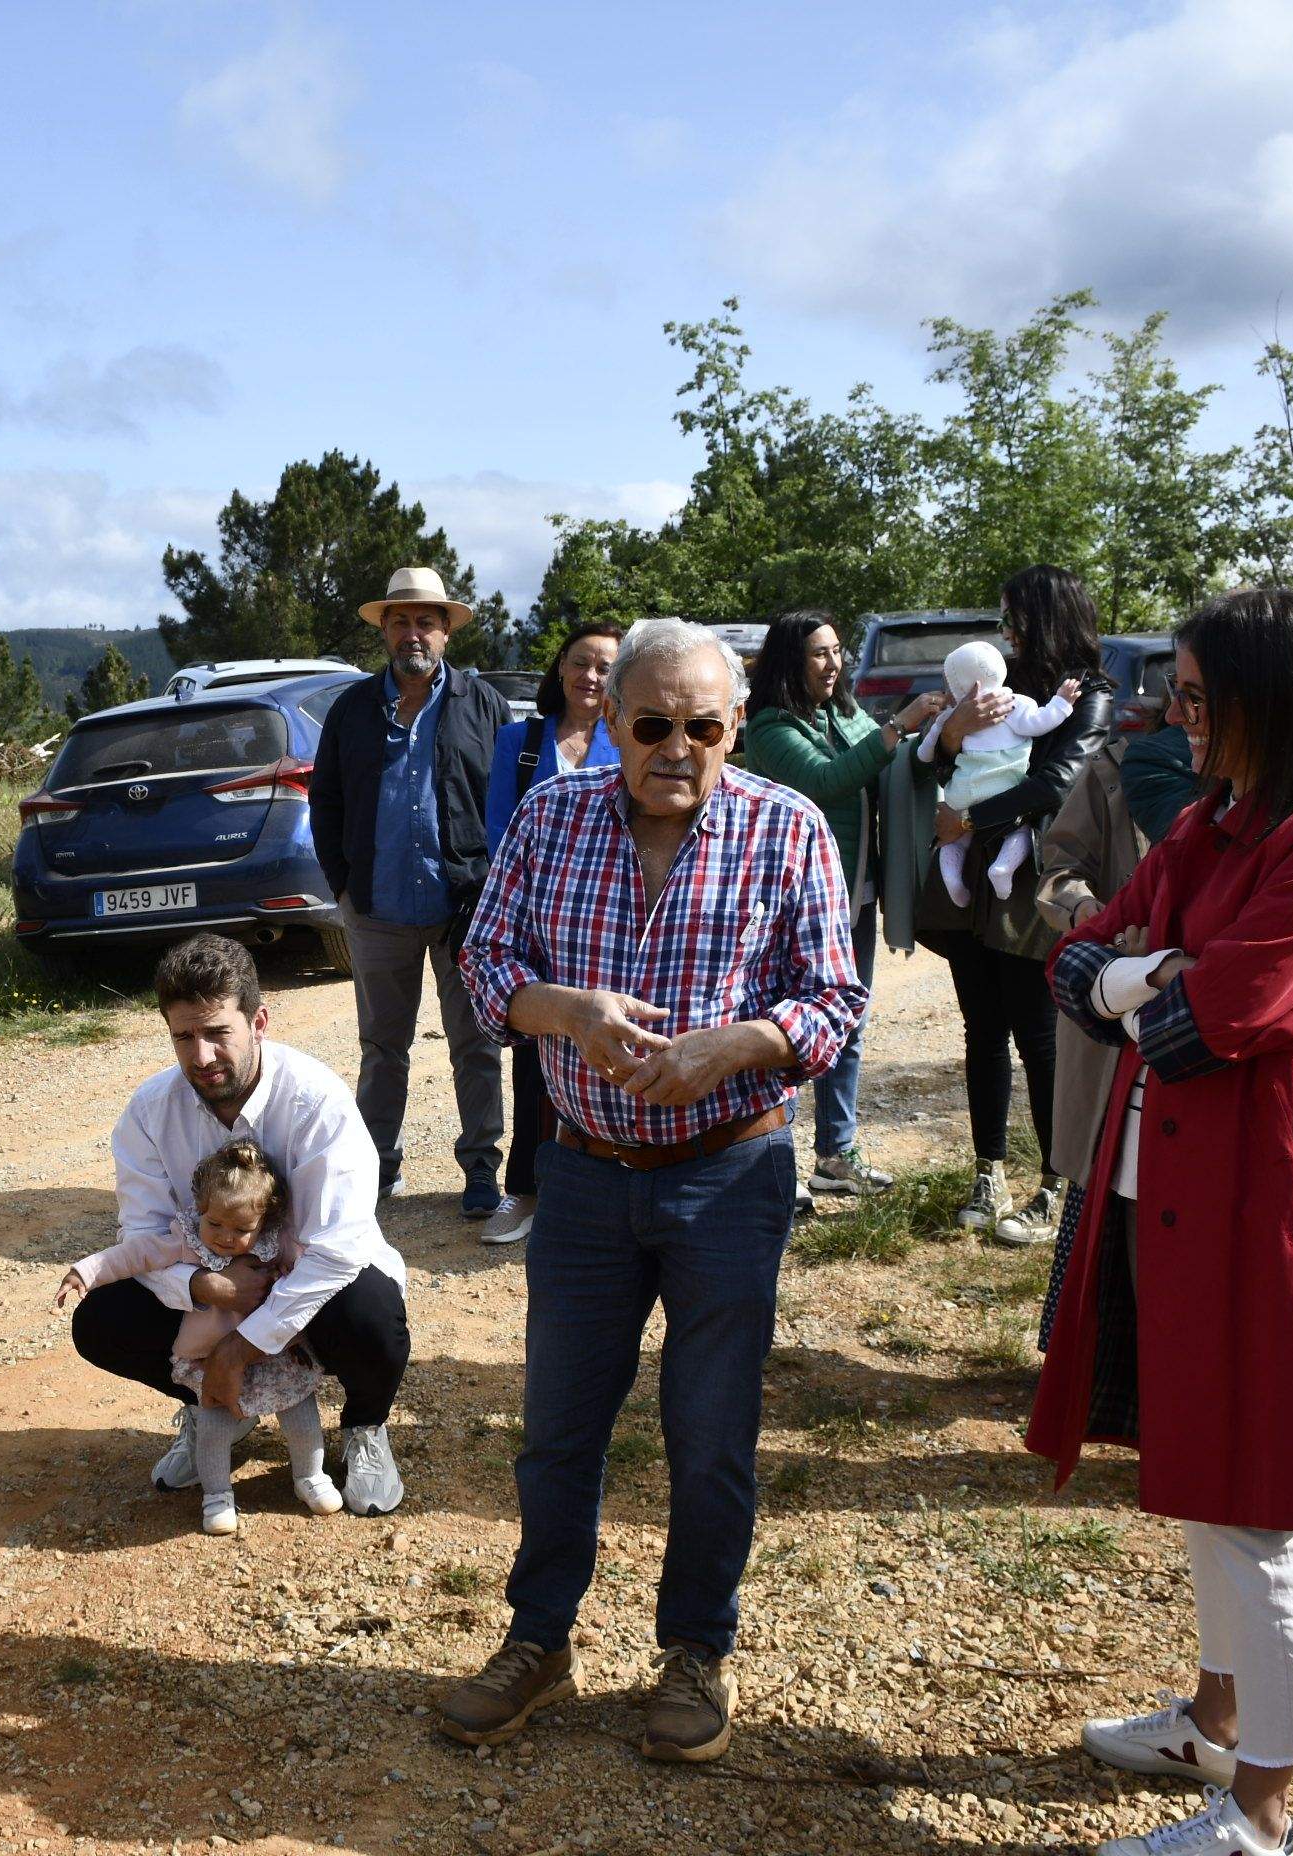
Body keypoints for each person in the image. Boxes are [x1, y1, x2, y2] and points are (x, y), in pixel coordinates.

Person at [442, 619, 866, 1763]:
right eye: (652, 723)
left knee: (711, 1431)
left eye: (704, 725)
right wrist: (565, 1010)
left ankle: (695, 1650)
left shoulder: (790, 827)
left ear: (735, 724)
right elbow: (485, 966)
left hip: (731, 1172)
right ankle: (539, 1637)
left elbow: (834, 1000)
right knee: (558, 1426)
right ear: (611, 719)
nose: (678, 747)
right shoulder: (551, 815)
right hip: (583, 1173)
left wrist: (738, 1044)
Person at [1031, 589, 1293, 1856]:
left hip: (1264, 1212)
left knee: (1256, 1502)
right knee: (1202, 1471)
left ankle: (1262, 1809)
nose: (1173, 716)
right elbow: (1079, 954)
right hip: (1170, 1193)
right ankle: (1213, 1718)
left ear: (1264, 699)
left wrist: (1149, 982)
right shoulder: (1215, 822)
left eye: (1194, 695)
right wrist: (1144, 972)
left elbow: (1216, 1016)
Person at [70, 934, 410, 1518]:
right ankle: (215, 1413)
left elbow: (336, 1251)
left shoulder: (316, 1100)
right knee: (101, 1320)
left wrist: (238, 1350)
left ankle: (364, 1428)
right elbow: (143, 1236)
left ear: (259, 1021)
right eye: (183, 1036)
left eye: (217, 1032)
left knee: (372, 1312)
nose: (200, 1057)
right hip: (215, 1294)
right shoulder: (150, 1112)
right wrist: (208, 1288)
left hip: (310, 1283)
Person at [920, 565, 1118, 1246]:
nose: (1005, 631)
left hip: (1030, 881)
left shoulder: (1088, 694)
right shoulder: (992, 690)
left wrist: (968, 824)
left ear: (1049, 618)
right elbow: (945, 767)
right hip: (974, 877)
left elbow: (1058, 781)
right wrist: (949, 737)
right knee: (981, 1030)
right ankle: (989, 1174)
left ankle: (1056, 1186)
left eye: (1015, 618)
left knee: (1038, 1037)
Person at [305, 564, 512, 1216]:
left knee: (475, 1047)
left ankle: (481, 1171)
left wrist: (499, 895)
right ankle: (377, 1169)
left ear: (447, 632)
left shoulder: (484, 706)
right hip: (378, 908)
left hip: (465, 909)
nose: (412, 633)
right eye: (401, 621)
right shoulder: (351, 710)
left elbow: (506, 805)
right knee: (382, 1051)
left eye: (426, 621)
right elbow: (326, 802)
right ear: (386, 632)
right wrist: (343, 889)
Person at [743, 611, 949, 1210]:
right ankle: (771, 1155)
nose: (832, 664)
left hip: (853, 895)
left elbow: (883, 765)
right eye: (818, 654)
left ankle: (836, 1154)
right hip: (797, 901)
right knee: (786, 1028)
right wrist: (898, 727)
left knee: (847, 1025)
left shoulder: (845, 713)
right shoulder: (769, 728)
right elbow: (828, 779)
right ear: (790, 661)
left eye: (837, 651)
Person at [56, 1138, 340, 1534]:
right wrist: (84, 1272)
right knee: (214, 1427)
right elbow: (133, 1254)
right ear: (199, 1211)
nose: (225, 1237)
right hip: (209, 1357)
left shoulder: (277, 1245)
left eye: (241, 1228)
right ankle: (217, 1495)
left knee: (300, 1413)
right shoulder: (187, 1243)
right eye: (215, 1224)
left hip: (273, 1351)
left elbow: (313, 1274)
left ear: (265, 1220)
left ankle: (310, 1475)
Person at [1028, 720, 1192, 1340]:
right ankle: (1083, 1356)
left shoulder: (1264, 783)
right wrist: (1090, 914)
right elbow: (1058, 869)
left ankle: (1165, 1370)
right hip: (1116, 997)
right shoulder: (1113, 770)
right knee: (1105, 1178)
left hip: (1195, 1021)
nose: (1187, 711)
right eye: (1179, 692)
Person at [476, 619, 626, 1245]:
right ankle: (525, 1191)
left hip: (610, 928)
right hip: (538, 931)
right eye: (580, 663)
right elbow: (497, 835)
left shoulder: (630, 739)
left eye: (605, 667)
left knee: (610, 1054)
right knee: (535, 1063)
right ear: (560, 669)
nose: (591, 677)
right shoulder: (520, 742)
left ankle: (603, 1186)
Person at [921, 643, 1084, 905]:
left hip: (962, 792)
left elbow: (925, 754)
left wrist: (949, 729)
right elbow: (1040, 722)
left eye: (1008, 618)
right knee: (1019, 833)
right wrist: (1062, 702)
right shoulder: (1014, 702)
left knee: (952, 841)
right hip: (1006, 788)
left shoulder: (952, 714)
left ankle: (952, 878)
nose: (1005, 631)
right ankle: (1003, 868)